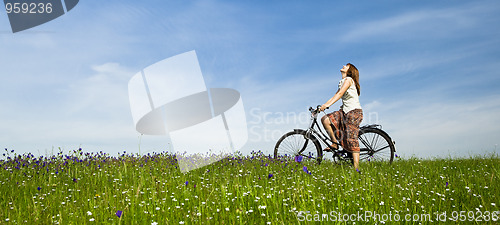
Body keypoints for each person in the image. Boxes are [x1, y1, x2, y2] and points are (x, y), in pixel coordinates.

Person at [319, 63, 363, 171]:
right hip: (344, 112)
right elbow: (335, 95)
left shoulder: (349, 80)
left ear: (349, 71)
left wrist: (326, 105)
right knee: (325, 119)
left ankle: (356, 168)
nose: (343, 65)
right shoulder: (343, 82)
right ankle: (334, 143)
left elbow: (339, 95)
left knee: (351, 138)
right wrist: (323, 106)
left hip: (353, 112)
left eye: (346, 65)